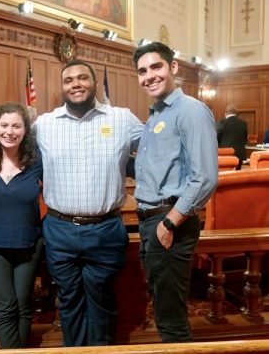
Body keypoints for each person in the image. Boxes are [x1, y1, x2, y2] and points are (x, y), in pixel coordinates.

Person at [32, 59, 143, 346]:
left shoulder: (122, 119)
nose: (76, 84)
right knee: (68, 301)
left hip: (105, 228)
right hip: (60, 229)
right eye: (69, 80)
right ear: (62, 87)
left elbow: (158, 149)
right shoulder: (43, 125)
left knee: (102, 299)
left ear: (95, 83)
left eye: (83, 78)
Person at [132, 42, 218, 342]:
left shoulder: (190, 111)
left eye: (156, 67)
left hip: (169, 222)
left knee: (171, 319)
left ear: (173, 68)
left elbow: (205, 177)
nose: (149, 76)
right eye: (142, 71)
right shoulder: (157, 114)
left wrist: (170, 223)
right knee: (163, 308)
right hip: (152, 221)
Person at [0, 102, 43, 348]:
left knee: (24, 304)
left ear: (26, 129)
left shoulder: (36, 158)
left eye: (16, 126)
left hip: (28, 242)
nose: (10, 131)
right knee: (5, 306)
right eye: (4, 125)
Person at [217, 103, 248, 169]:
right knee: (237, 175)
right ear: (236, 113)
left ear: (225, 113)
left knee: (226, 175)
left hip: (225, 154)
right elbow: (245, 139)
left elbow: (216, 138)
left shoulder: (222, 123)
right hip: (239, 154)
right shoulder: (243, 123)